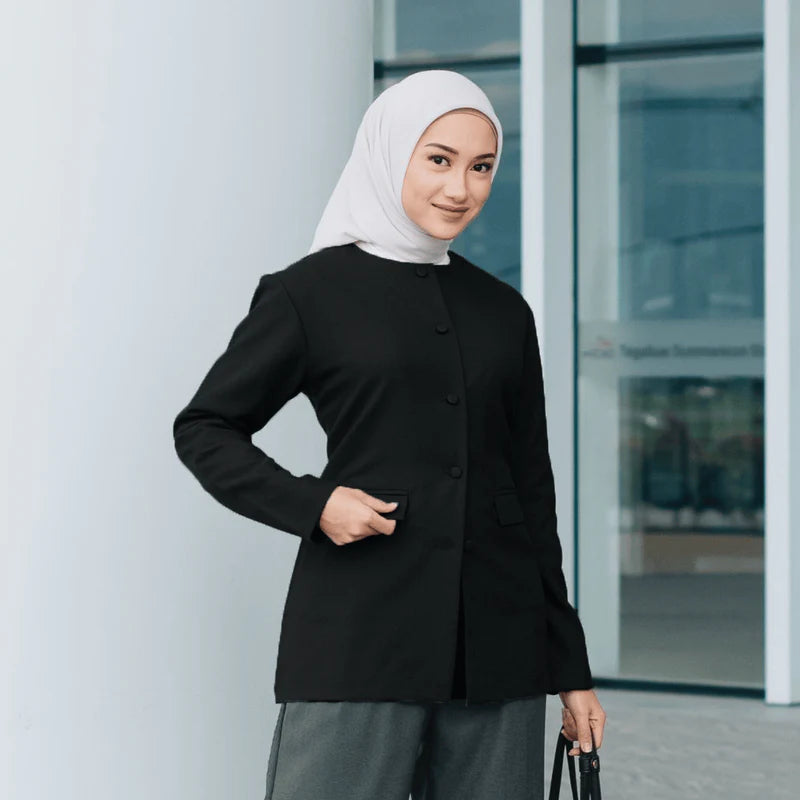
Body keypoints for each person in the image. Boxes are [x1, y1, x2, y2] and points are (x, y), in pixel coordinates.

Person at [173, 69, 606, 800]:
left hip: (499, 651)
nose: (460, 188)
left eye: (481, 167)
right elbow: (206, 428)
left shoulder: (503, 311)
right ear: (389, 153)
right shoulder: (308, 294)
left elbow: (532, 494)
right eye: (438, 159)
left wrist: (569, 669)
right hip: (360, 637)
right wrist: (314, 505)